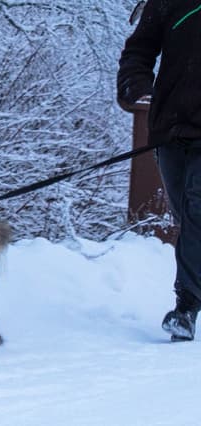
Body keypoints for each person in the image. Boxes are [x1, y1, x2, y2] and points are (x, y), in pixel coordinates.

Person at [117, 0, 201, 341]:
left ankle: (186, 308)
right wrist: (136, 88)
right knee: (188, 217)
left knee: (199, 209)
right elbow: (139, 50)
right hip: (170, 128)